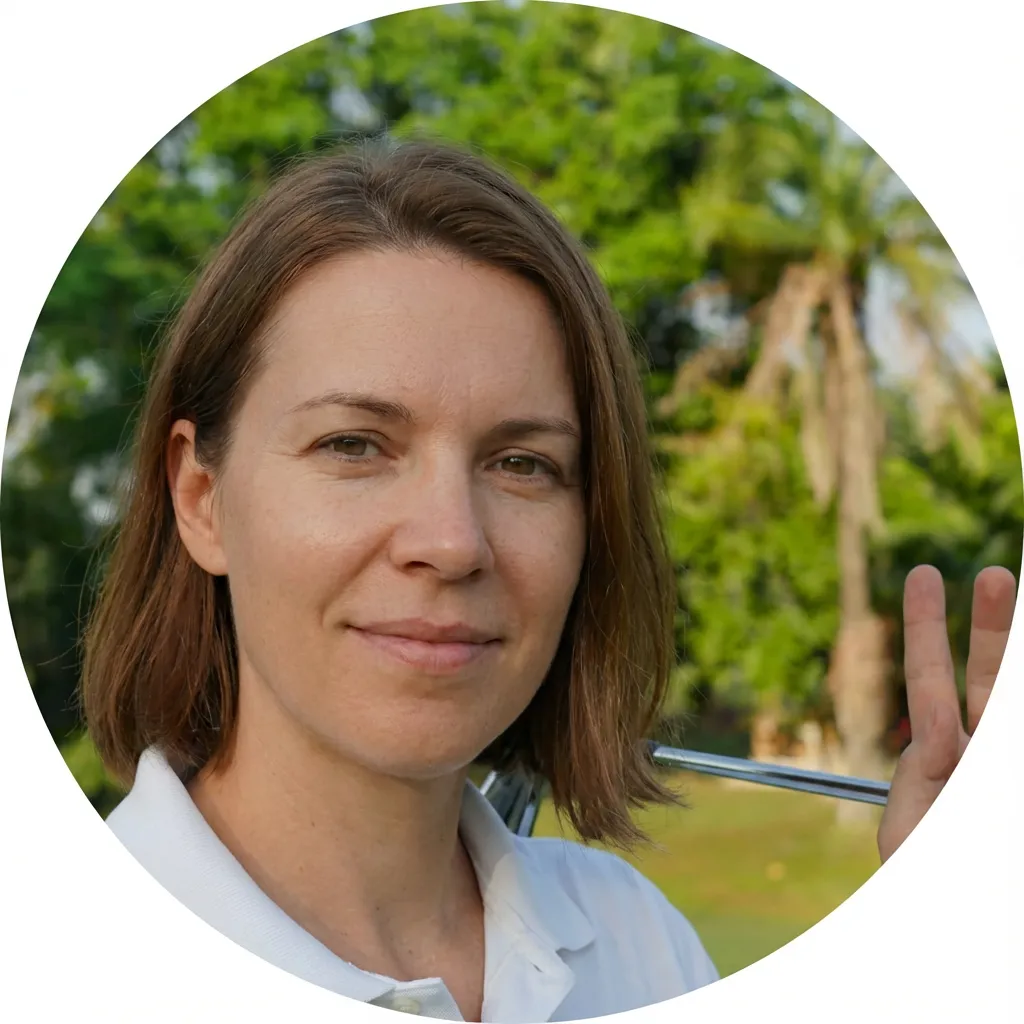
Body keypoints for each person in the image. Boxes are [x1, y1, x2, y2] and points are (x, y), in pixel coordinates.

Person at [81, 139, 1016, 1023]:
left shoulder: (638, 943)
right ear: (200, 497)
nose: (452, 543)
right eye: (354, 445)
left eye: (522, 464)